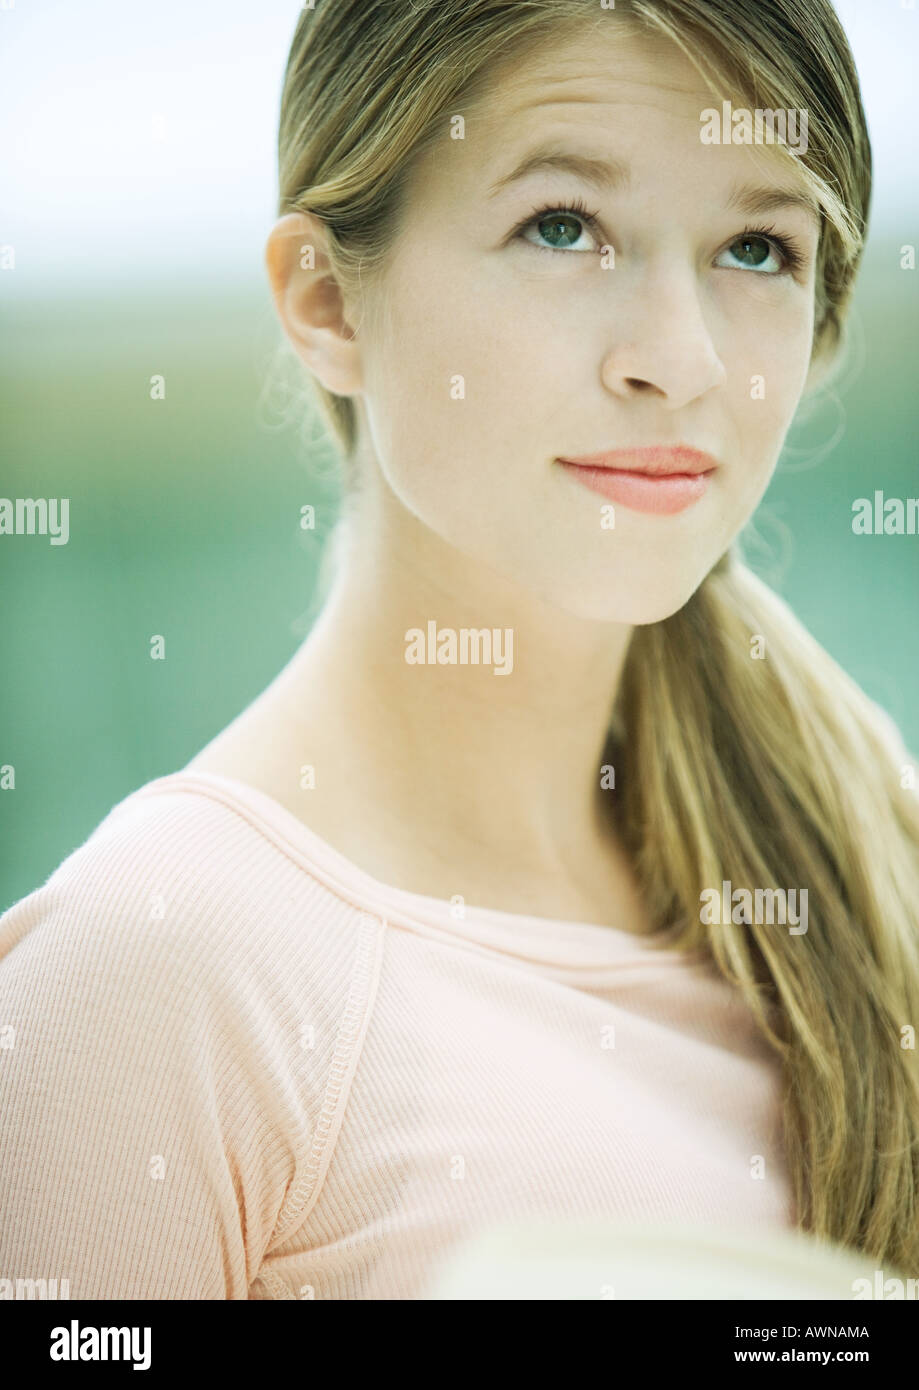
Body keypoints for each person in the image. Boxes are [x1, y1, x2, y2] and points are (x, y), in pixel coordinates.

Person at [1, 0, 917, 1300]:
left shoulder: (878, 858)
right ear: (327, 301)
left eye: (758, 246)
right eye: (563, 226)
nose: (682, 357)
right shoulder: (161, 964)